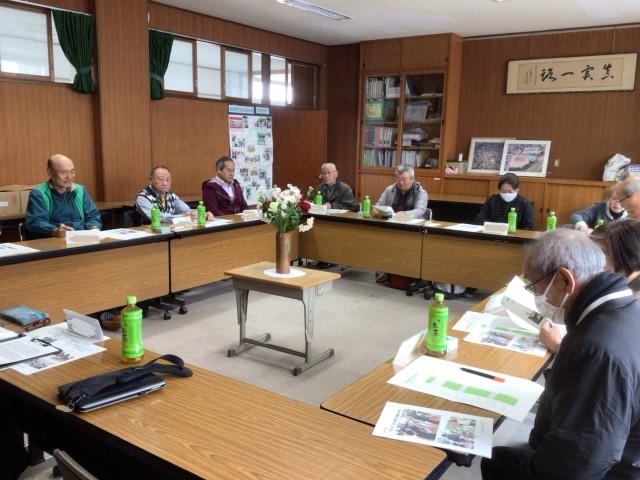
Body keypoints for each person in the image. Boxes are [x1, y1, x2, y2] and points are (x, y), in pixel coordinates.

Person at [481, 228, 640, 480]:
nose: (536, 297)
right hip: (618, 450)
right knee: (498, 460)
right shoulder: (626, 306)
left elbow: (581, 459)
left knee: (500, 465)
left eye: (534, 287)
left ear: (565, 280)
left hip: (617, 468)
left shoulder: (595, 349)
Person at [539, 218, 640, 353]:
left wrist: (559, 346)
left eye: (599, 254)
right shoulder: (613, 286)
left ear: (626, 256)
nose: (591, 261)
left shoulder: (632, 298)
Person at [373, 164, 428, 283]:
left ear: (412, 179)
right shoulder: (390, 189)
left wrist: (405, 214)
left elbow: (420, 210)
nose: (401, 182)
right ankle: (387, 271)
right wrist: (376, 210)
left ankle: (404, 274)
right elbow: (378, 204)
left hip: (412, 229)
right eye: (398, 179)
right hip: (391, 226)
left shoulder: (421, 192)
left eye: (404, 179)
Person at [25, 154, 102, 239]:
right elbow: (35, 222)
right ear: (50, 172)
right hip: (54, 240)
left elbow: (93, 215)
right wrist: (54, 231)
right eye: (63, 172)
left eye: (72, 172)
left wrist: (93, 227)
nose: (69, 177)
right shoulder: (38, 194)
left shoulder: (80, 190)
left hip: (81, 239)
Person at [314, 162, 357, 269]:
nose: (326, 176)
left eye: (329, 173)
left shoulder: (345, 188)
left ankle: (331, 258)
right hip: (323, 220)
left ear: (336, 174)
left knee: (330, 231)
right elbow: (313, 202)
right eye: (323, 173)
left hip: (340, 222)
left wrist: (332, 206)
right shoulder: (320, 188)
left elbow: (350, 207)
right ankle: (320, 256)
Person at [135, 166, 213, 223]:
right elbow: (158, 217)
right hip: (150, 233)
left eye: (168, 180)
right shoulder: (143, 197)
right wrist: (182, 217)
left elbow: (186, 210)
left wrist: (201, 214)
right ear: (151, 180)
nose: (165, 183)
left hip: (170, 230)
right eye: (160, 179)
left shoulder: (170, 195)